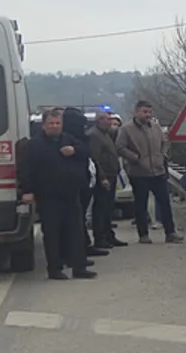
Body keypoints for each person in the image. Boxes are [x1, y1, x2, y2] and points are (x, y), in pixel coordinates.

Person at [19, 109, 98, 280]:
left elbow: (87, 151)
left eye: (57, 123)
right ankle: (54, 269)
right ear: (44, 124)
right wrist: (27, 191)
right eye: (51, 124)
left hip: (71, 193)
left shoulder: (68, 140)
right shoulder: (34, 145)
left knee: (75, 232)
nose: (54, 126)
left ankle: (79, 267)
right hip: (48, 196)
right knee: (53, 234)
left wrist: (74, 151)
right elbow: (25, 169)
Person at [116, 100, 183, 244]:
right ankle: (143, 235)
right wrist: (135, 158)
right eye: (144, 112)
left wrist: (162, 156)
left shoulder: (156, 127)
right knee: (140, 204)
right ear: (136, 112)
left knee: (165, 203)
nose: (147, 115)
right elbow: (120, 147)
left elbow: (164, 143)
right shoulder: (126, 129)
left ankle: (170, 232)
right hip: (138, 172)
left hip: (158, 171)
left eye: (149, 112)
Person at [61, 107, 109, 258]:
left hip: (85, 180)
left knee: (80, 216)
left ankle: (82, 246)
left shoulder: (80, 139)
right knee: (74, 217)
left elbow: (89, 156)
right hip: (72, 183)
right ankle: (75, 250)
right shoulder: (65, 139)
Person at [87, 111, 128, 249]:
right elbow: (95, 158)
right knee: (100, 207)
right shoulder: (94, 135)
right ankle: (100, 237)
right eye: (107, 120)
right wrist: (102, 177)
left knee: (109, 207)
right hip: (103, 176)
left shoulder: (106, 134)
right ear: (99, 120)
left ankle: (109, 234)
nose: (110, 122)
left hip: (112, 174)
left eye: (111, 120)